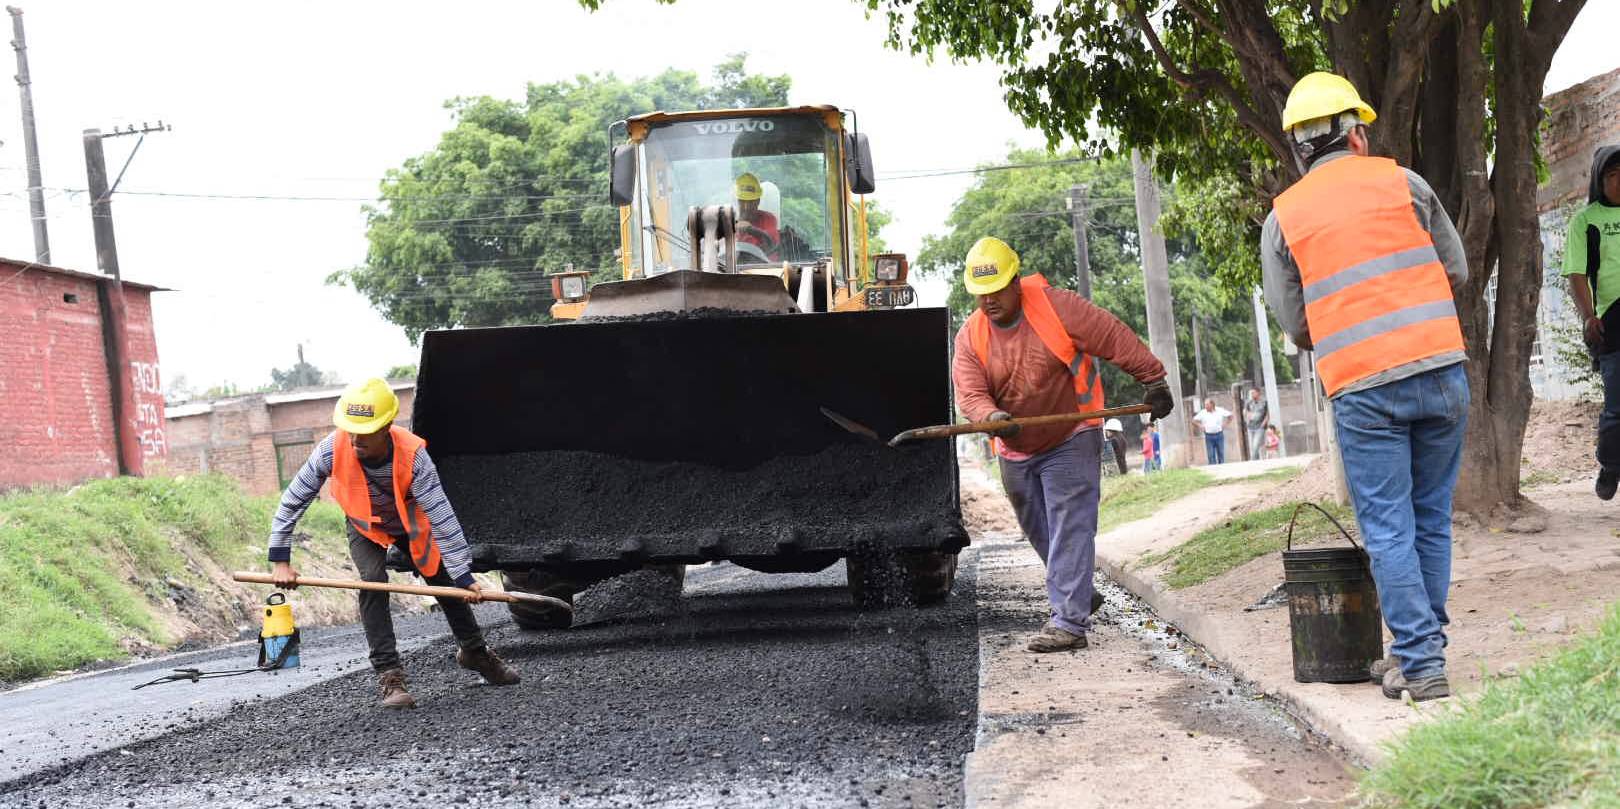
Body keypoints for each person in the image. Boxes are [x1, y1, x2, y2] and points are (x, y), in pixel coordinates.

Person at [1261, 72, 1469, 702]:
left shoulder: (1284, 218)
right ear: (1355, 134)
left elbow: (1295, 322)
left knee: (1387, 525)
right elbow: (1454, 269)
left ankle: (1420, 660)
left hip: (1363, 386)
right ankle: (1420, 648)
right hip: (1441, 370)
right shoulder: (1405, 183)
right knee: (1430, 515)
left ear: (1301, 147)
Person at [952, 236, 1175, 652]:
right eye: (980, 294)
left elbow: (1112, 336)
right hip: (1015, 447)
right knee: (1039, 528)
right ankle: (1078, 591)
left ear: (1016, 281)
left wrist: (1153, 378)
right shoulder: (971, 336)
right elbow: (969, 391)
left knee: (1070, 522)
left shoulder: (1058, 307)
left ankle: (1068, 622)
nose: (988, 301)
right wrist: (991, 418)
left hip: (1072, 433)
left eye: (996, 289)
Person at [267, 378, 520, 708]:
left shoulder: (414, 457)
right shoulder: (331, 448)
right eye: (350, 430)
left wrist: (464, 577)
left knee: (441, 578)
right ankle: (390, 676)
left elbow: (442, 517)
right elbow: (293, 501)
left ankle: (475, 652)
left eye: (365, 431)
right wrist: (281, 561)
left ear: (386, 426)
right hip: (362, 522)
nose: (354, 439)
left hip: (408, 519)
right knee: (372, 582)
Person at [1562, 144, 1620, 499]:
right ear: (1600, 182)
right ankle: (1611, 464)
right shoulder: (1586, 221)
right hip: (1613, 320)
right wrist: (1588, 316)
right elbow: (1576, 273)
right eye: (1613, 176)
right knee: (1616, 407)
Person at [734, 172, 780, 261]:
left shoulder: (768, 219)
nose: (746, 207)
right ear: (738, 201)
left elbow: (771, 243)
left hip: (762, 269)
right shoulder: (728, 222)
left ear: (758, 201)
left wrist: (751, 230)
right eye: (742, 201)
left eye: (751, 202)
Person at [1191, 399, 1231, 464]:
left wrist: (1225, 424)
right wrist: (1200, 426)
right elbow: (1193, 420)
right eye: (1205, 405)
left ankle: (1222, 468)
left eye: (1207, 405)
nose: (1205, 406)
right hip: (1209, 436)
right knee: (1211, 455)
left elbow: (1230, 416)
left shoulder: (1220, 410)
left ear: (1212, 404)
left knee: (1221, 453)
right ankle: (1213, 470)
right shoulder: (1203, 412)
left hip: (1219, 435)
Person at [1243, 388, 1269, 460]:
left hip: (1260, 427)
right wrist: (1247, 418)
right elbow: (1245, 412)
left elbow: (1267, 413)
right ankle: (1256, 462)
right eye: (1251, 393)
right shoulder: (1249, 402)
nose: (1252, 395)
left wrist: (1264, 423)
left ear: (1258, 393)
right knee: (1253, 447)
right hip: (1251, 427)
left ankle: (1252, 461)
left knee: (1255, 445)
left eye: (1253, 393)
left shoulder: (1264, 402)